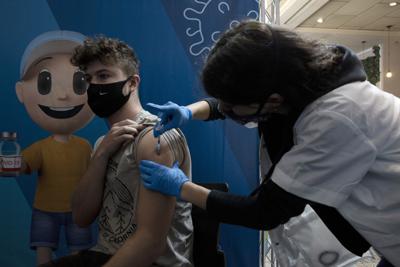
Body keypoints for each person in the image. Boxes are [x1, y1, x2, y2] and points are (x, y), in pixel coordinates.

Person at [140, 21, 400, 267]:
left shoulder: (337, 118)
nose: (225, 110)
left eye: (231, 105)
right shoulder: (300, 85)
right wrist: (188, 112)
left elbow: (265, 211)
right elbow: (227, 105)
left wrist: (181, 187)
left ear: (273, 101)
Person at [41, 36, 193, 267]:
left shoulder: (155, 136)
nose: (94, 86)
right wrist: (101, 154)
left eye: (104, 76)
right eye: (88, 79)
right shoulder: (104, 142)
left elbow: (150, 243)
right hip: (103, 255)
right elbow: (81, 217)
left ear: (132, 83)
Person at [15, 30, 95, 265]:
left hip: (78, 211)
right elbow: (22, 165)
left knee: (78, 255)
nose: (62, 96)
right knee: (43, 253)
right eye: (45, 82)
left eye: (79, 82)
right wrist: (11, 164)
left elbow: (94, 175)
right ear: (21, 92)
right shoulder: (40, 148)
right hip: (45, 210)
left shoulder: (86, 146)